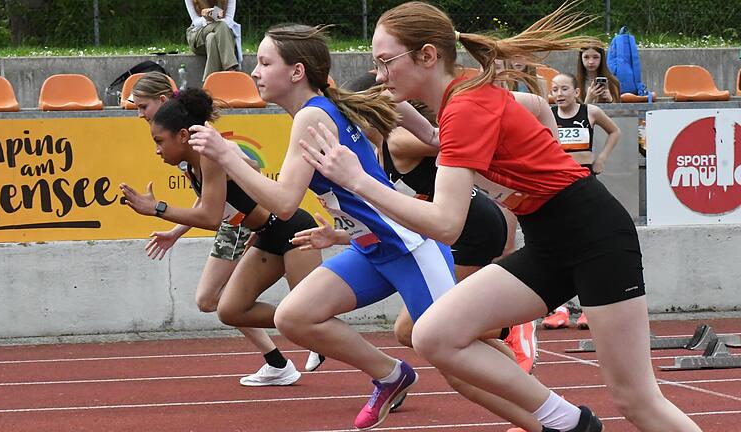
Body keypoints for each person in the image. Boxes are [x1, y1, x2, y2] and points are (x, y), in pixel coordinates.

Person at [295, 2, 702, 432]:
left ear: (428, 56)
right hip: (548, 239)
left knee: (636, 401)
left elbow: (447, 223)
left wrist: (358, 180)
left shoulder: (465, 107)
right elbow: (451, 134)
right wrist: (402, 112)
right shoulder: (464, 92)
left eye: (385, 62)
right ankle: (567, 423)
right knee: (433, 334)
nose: (378, 75)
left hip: (594, 236)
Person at [187, 24, 565, 432]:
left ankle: (549, 419)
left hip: (409, 248)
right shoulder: (331, 106)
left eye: (264, 62)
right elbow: (385, 127)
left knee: (460, 361)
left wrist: (227, 155)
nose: (255, 72)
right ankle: (390, 375)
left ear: (297, 72)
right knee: (295, 316)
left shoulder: (313, 115)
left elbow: (283, 202)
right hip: (371, 248)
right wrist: (344, 231)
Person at [124, 81, 323, 385]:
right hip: (265, 235)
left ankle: (379, 366)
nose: (156, 149)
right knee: (230, 309)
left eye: (159, 141)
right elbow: (212, 205)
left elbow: (212, 216)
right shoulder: (191, 161)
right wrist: (175, 230)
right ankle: (301, 327)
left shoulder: (209, 152)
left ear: (182, 134)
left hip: (293, 230)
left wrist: (158, 209)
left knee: (311, 314)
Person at [343, 72, 538, 380]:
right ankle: (515, 370)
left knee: (417, 328)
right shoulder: (377, 151)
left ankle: (510, 329)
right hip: (446, 230)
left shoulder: (400, 142)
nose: (348, 127)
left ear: (374, 110)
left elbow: (455, 139)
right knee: (420, 329)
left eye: (352, 116)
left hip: (472, 228)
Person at [541, 72, 622, 331]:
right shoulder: (547, 115)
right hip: (558, 186)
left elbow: (615, 132)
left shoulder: (591, 112)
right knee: (560, 247)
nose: (560, 93)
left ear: (577, 92)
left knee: (590, 245)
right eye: (555, 89)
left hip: (585, 182)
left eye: (565, 88)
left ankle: (589, 309)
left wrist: (602, 159)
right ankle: (561, 309)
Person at [185, 0, 243, 83]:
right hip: (198, 34)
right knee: (220, 26)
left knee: (211, 38)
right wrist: (207, 18)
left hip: (222, 35)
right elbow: (196, 21)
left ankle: (209, 84)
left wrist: (215, 16)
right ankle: (231, 70)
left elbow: (229, 21)